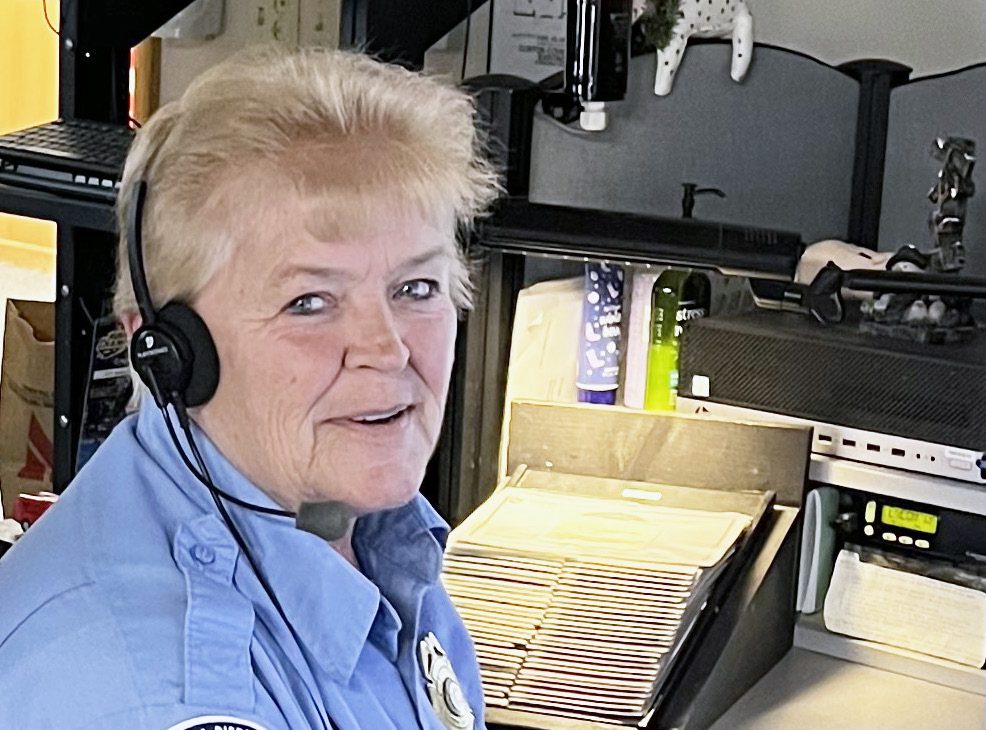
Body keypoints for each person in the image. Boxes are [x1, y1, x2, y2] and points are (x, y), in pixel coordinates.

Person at [0, 45, 501, 730]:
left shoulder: (337, 519)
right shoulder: (153, 695)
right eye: (309, 302)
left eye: (416, 288)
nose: (387, 351)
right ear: (170, 354)